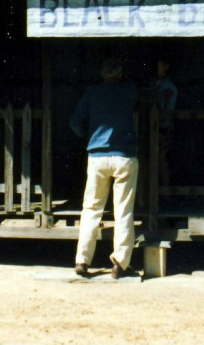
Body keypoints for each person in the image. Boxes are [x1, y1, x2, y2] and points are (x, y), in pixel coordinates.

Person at [70, 56, 139, 279]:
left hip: (98, 156)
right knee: (123, 210)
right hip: (124, 156)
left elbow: (75, 123)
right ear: (120, 72)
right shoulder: (129, 90)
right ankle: (120, 262)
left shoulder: (92, 92)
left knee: (91, 208)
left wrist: (88, 137)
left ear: (101, 72)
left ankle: (82, 260)